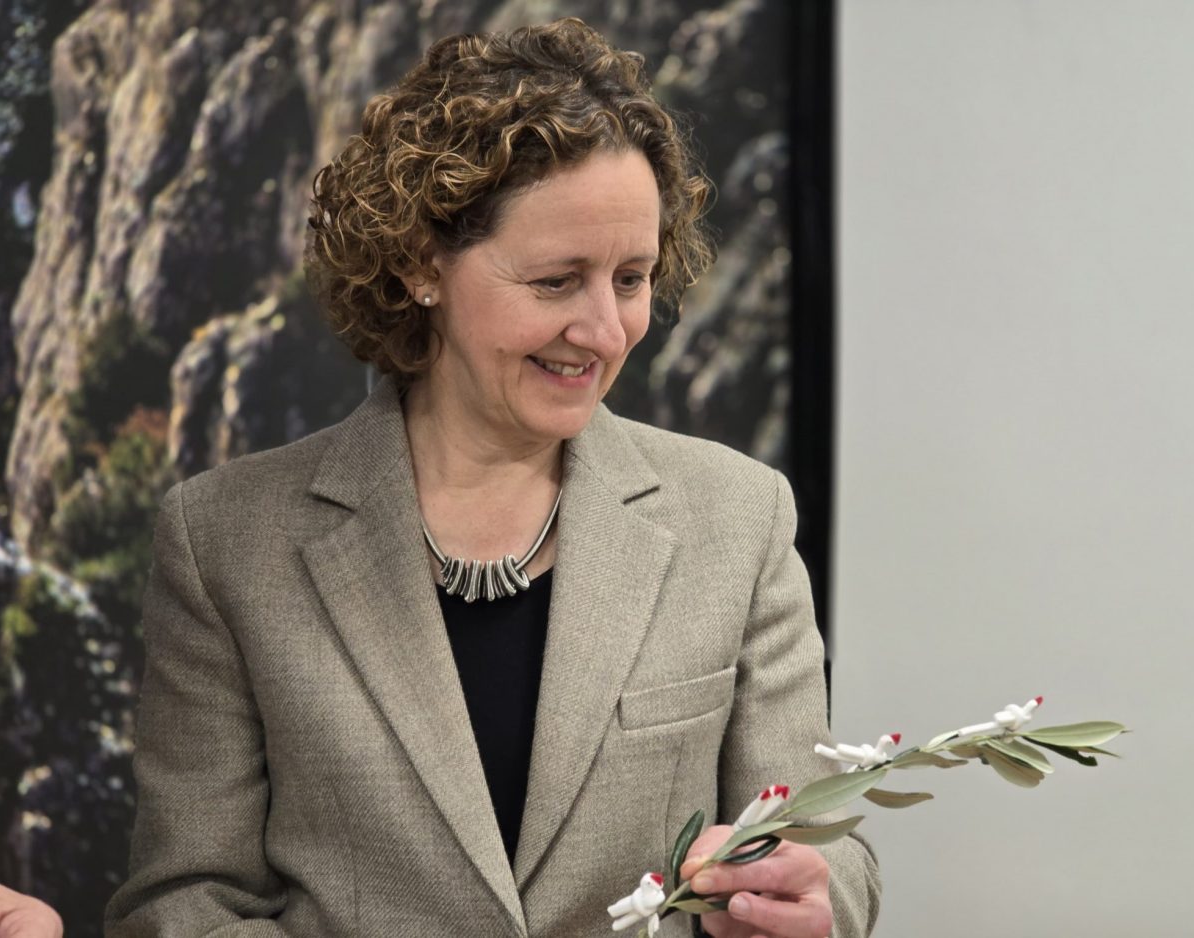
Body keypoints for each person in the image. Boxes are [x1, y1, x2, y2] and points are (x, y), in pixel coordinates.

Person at [104, 17, 881, 938]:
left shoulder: (740, 517)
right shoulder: (225, 541)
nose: (606, 332)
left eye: (631, 279)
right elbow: (185, 905)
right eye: (556, 281)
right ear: (420, 265)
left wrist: (812, 897)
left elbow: (824, 851)